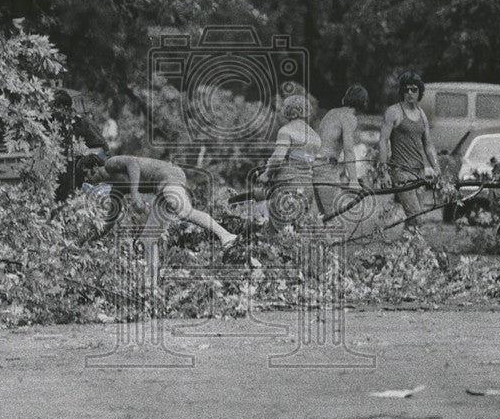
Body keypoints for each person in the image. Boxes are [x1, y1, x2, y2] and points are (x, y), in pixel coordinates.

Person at [79, 154, 237, 285]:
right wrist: (89, 239)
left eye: (85, 172)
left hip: (168, 175)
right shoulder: (116, 189)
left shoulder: (109, 164)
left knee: (183, 211)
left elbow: (132, 163)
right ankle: (152, 287)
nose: (85, 178)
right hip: (160, 188)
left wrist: (135, 194)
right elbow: (110, 221)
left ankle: (226, 235)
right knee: (148, 240)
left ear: (94, 167)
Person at [378, 71, 439, 227]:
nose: (410, 93)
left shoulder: (421, 114)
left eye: (413, 90)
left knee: (414, 220)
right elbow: (383, 141)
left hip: (419, 172)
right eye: (406, 90)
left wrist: (436, 168)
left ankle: (407, 250)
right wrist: (383, 171)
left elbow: (428, 144)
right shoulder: (394, 112)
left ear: (419, 92)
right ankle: (413, 248)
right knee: (416, 217)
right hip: (401, 172)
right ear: (402, 92)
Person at [257, 94, 321, 230]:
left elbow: (278, 158)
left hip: (287, 184)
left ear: (287, 110)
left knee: (277, 229)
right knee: (298, 229)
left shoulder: (286, 131)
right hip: (307, 187)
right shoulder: (315, 136)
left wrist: (266, 175)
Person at [313, 84, 368, 225]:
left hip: (313, 165)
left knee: (323, 216)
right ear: (363, 102)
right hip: (326, 167)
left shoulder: (332, 112)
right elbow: (348, 150)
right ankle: (329, 245)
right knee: (330, 217)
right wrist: (354, 180)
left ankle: (321, 245)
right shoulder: (349, 118)